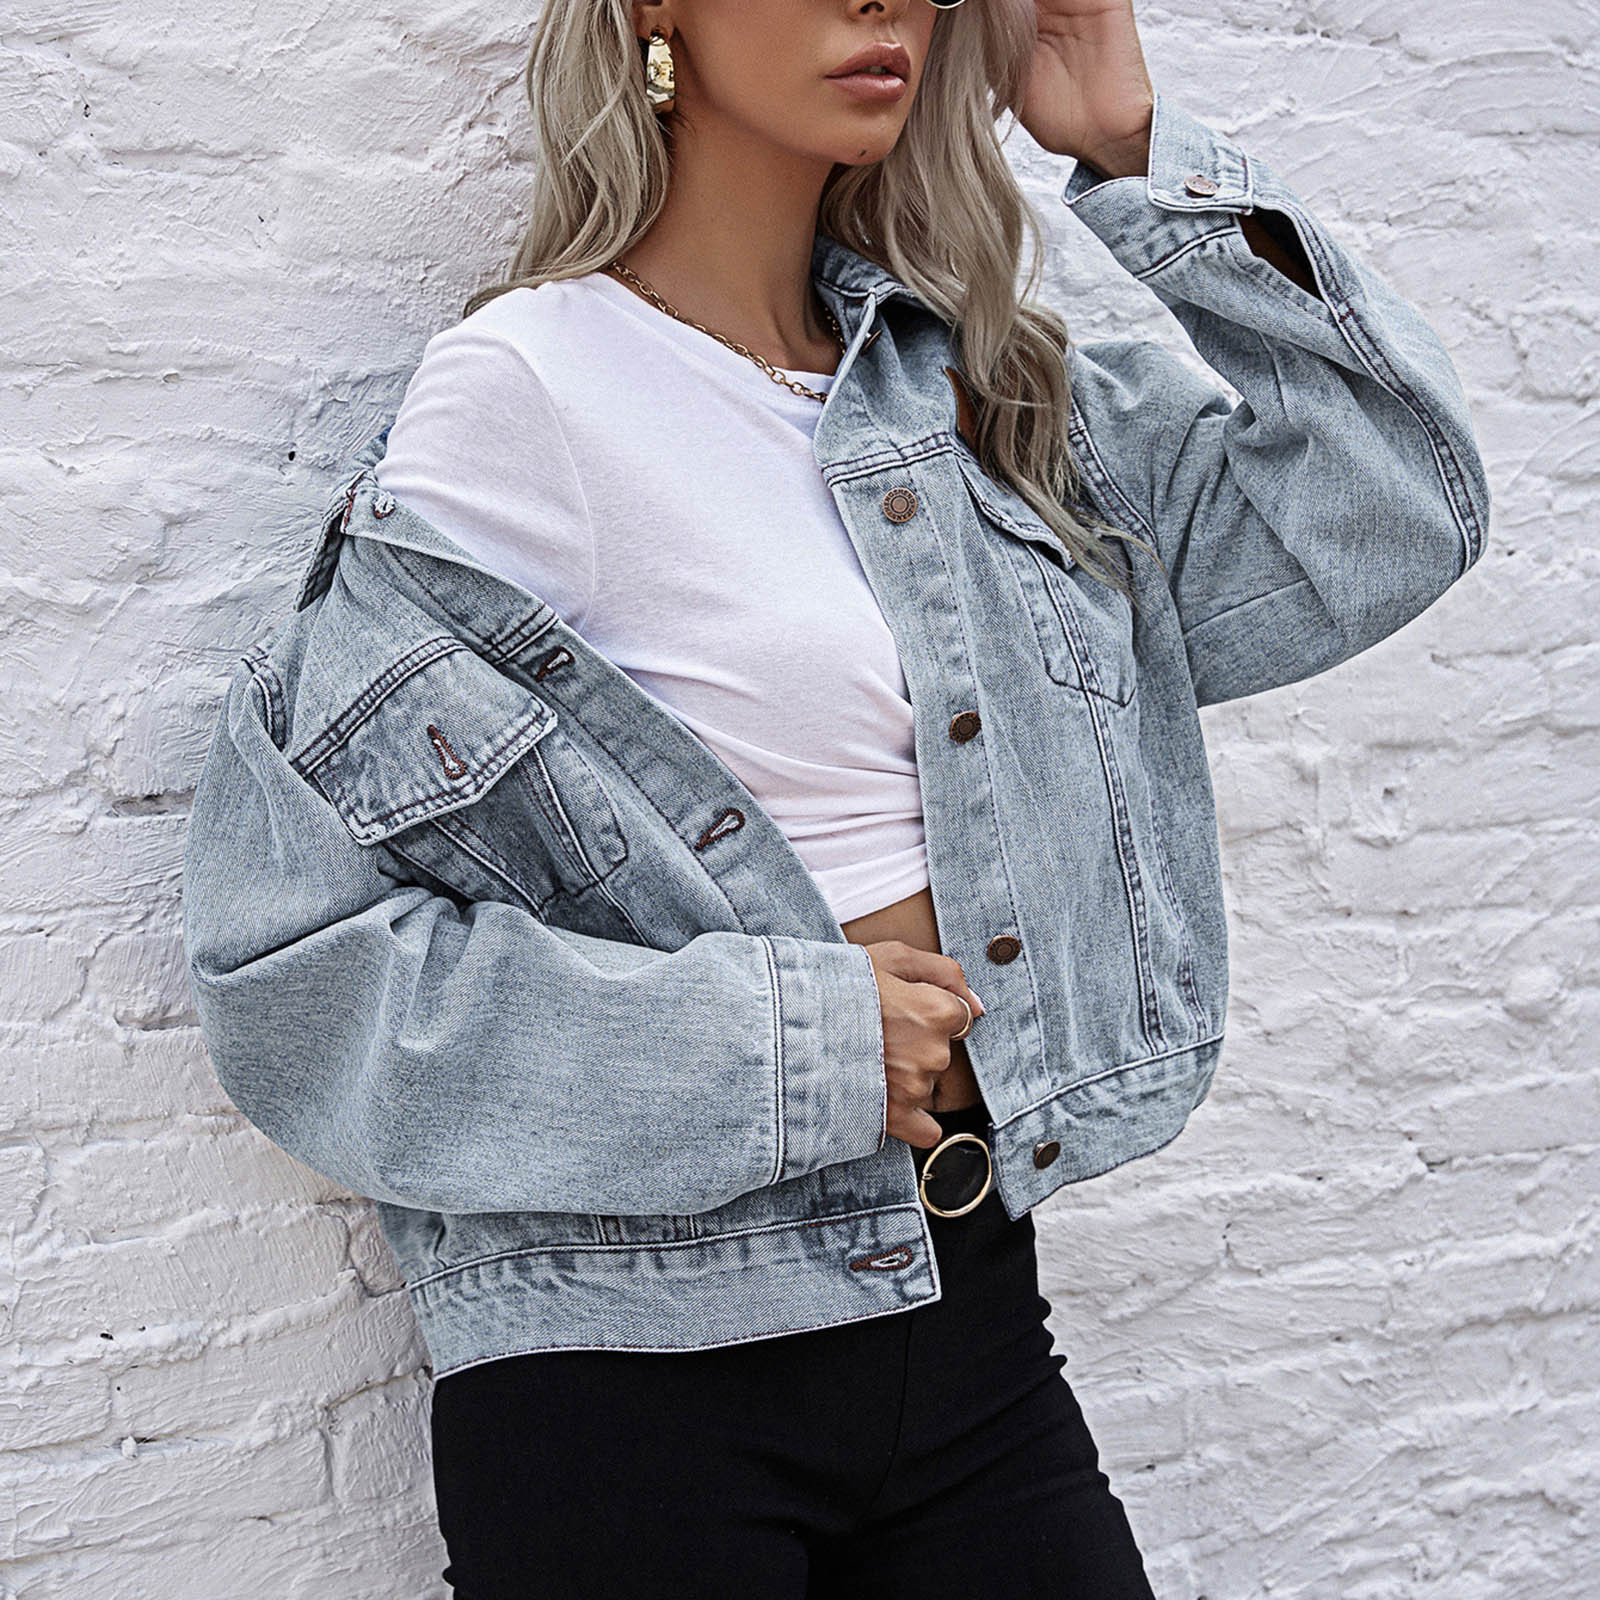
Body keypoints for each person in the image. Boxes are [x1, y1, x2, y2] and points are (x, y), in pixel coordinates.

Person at [180, 0, 1491, 1594]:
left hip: (970, 1301)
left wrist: (1135, 151)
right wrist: (792, 1044)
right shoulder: (530, 384)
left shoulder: (982, 395)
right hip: (633, 1376)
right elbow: (294, 972)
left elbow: (1391, 508)